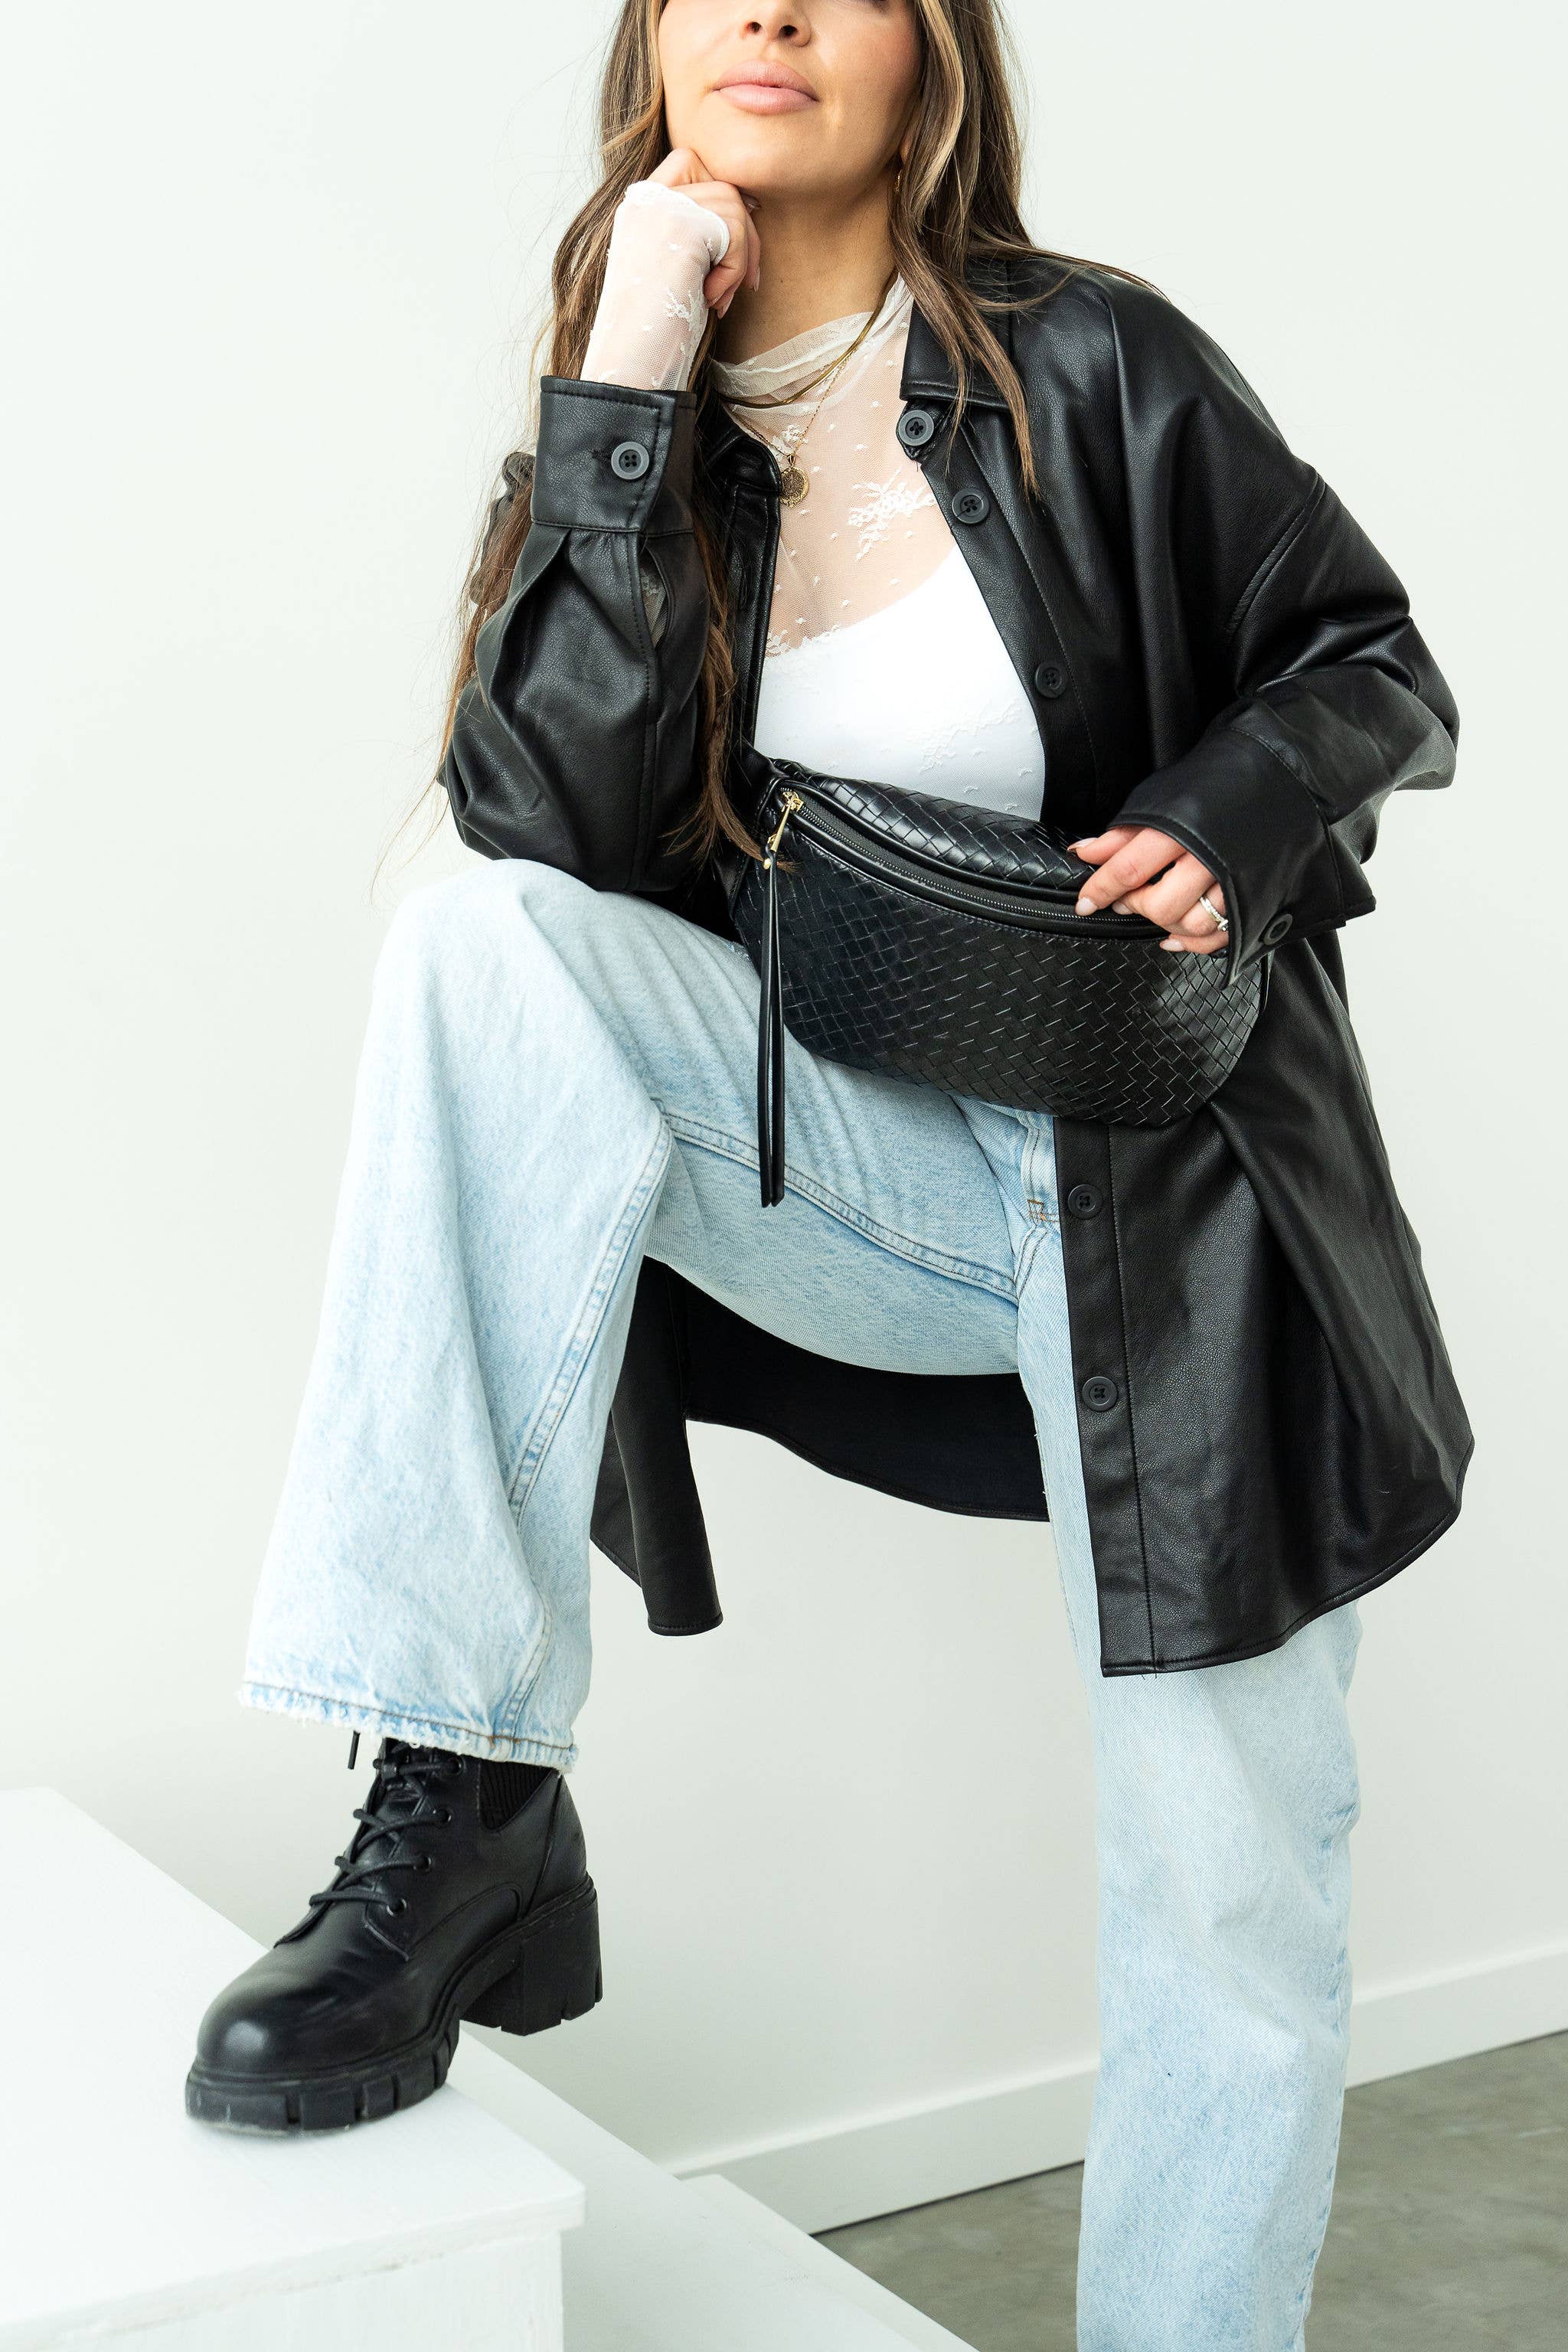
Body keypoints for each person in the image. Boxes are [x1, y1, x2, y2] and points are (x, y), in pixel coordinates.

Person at [188, 2, 1470, 2342]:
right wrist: (625, 370)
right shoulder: (649, 427)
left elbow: (1368, 656)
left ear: (928, 60)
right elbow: (544, 837)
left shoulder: (1093, 365)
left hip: (1180, 1216)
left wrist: (1239, 805)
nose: (771, 9)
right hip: (866, 1179)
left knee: (1230, 1885)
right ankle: (463, 1794)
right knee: (483, 946)